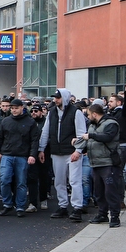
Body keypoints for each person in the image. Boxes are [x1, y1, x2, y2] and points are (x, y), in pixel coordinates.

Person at [39, 89, 88, 222]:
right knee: (59, 181)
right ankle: (63, 206)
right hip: (56, 151)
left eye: (58, 98)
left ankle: (77, 207)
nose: (56, 100)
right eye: (55, 98)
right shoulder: (52, 112)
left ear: (65, 98)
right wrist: (41, 148)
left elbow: (81, 133)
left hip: (71, 152)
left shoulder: (76, 112)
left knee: (74, 181)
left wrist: (78, 151)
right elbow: (45, 131)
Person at [75, 104, 122, 228]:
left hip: (108, 163)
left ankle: (115, 216)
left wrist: (91, 136)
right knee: (99, 191)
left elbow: (107, 137)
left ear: (94, 114)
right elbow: (89, 142)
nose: (88, 117)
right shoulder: (92, 125)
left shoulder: (111, 124)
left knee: (110, 191)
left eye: (89, 115)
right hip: (95, 163)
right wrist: (78, 144)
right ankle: (102, 214)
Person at [0, 102, 42, 218]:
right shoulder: (5, 121)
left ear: (22, 108)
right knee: (4, 180)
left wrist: (32, 155)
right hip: (7, 155)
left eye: (16, 108)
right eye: (12, 108)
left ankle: (20, 206)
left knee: (21, 182)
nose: (14, 110)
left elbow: (34, 140)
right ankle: (7, 204)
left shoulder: (30, 122)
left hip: (22, 156)